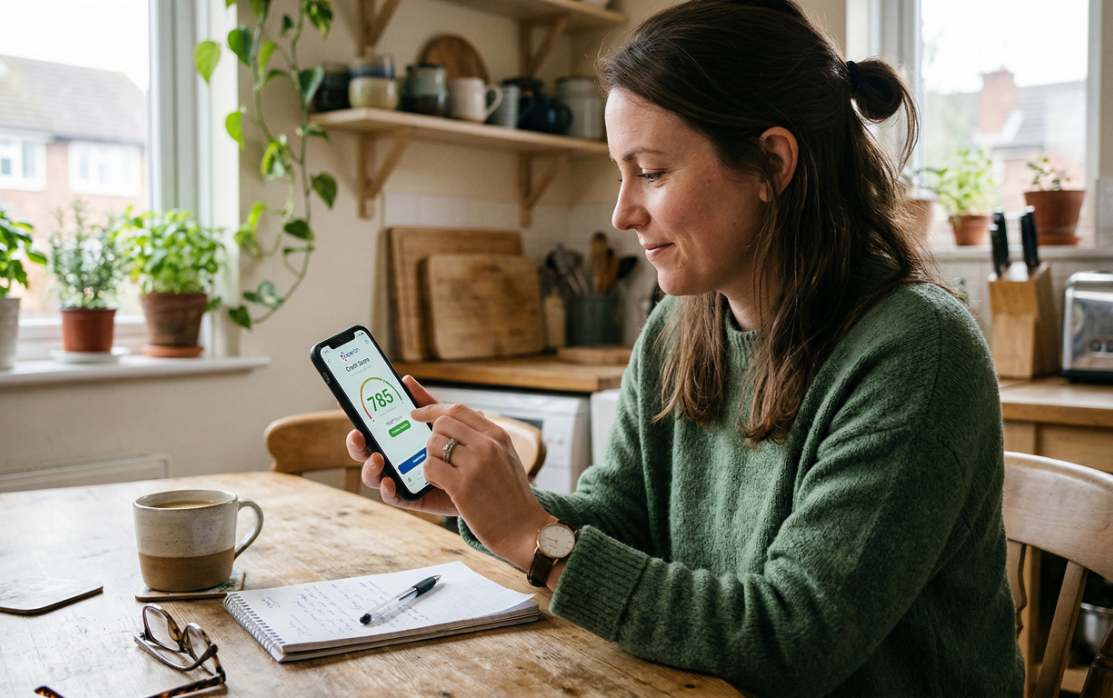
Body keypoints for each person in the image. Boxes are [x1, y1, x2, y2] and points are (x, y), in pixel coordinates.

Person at [348, 0, 1025, 694]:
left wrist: (534, 540)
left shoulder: (917, 351)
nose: (621, 213)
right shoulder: (680, 326)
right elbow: (622, 518)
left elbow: (794, 639)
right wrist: (485, 503)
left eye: (652, 171)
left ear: (772, 162)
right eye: (621, 171)